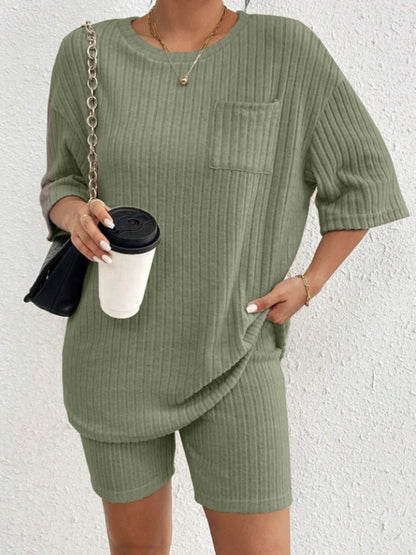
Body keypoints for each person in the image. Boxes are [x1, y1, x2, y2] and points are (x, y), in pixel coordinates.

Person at [39, 0, 410, 553]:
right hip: (114, 354)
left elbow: (364, 176)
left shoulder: (286, 50)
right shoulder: (88, 52)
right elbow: (62, 180)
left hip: (239, 345)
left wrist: (311, 282)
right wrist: (74, 216)